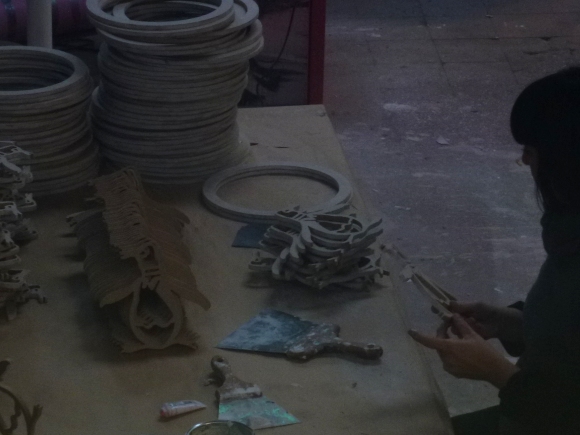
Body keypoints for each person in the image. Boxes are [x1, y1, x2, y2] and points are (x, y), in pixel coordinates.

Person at [409, 67, 580, 435]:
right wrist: (513, 322)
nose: (526, 161)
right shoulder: (570, 226)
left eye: (532, 150)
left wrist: (496, 371)